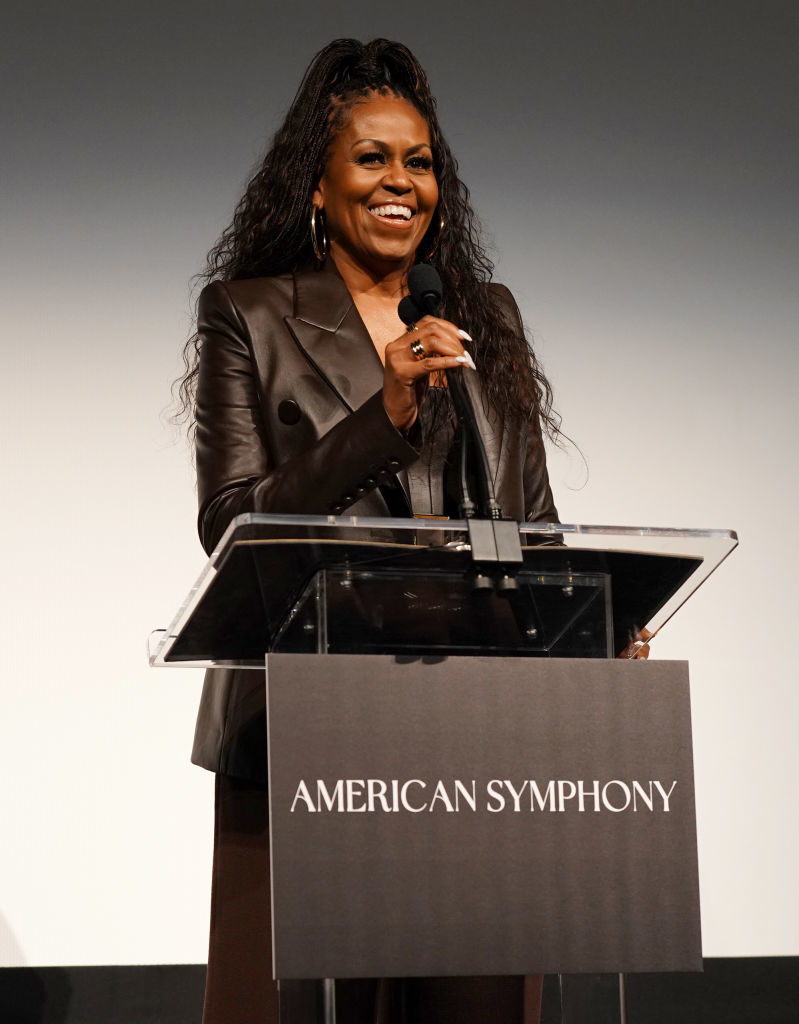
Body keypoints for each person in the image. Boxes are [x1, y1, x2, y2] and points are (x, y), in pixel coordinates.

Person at [176, 37, 563, 1024]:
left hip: (473, 740)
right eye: (372, 158)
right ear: (318, 182)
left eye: (420, 160)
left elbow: (538, 529)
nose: (402, 181)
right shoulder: (248, 316)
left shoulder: (486, 321)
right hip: (304, 731)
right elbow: (233, 526)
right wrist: (380, 416)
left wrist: (593, 623)